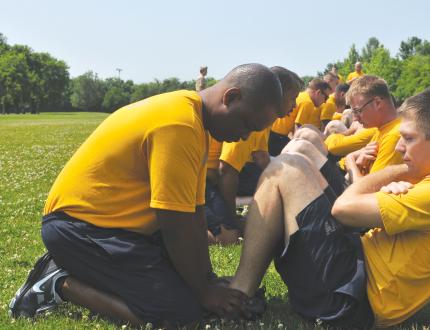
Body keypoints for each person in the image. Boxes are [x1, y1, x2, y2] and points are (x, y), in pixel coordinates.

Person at [9, 64, 283, 328]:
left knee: (189, 295)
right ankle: (59, 283)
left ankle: (77, 272)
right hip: (79, 228)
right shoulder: (180, 125)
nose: (245, 135)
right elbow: (175, 225)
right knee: (179, 315)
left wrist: (208, 281)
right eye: (246, 124)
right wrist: (204, 291)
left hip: (116, 228)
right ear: (230, 97)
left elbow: (194, 213)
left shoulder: (194, 119)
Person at [227, 86, 430, 327]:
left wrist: (400, 172)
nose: (399, 146)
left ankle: (239, 293)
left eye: (408, 138)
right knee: (302, 148)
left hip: (349, 300)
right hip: (355, 266)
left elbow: (344, 210)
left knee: (284, 170)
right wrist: (395, 185)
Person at [206, 66, 303, 245]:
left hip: (216, 178)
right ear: (276, 94)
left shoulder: (265, 121)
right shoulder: (254, 118)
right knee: (230, 238)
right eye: (292, 98)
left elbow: (262, 157)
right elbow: (226, 170)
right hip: (207, 181)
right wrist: (230, 218)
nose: (295, 105)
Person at [328, 75, 402, 181]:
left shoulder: (393, 135)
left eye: (358, 111)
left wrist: (351, 160)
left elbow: (369, 188)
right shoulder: (381, 129)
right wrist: (357, 162)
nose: (355, 118)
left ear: (377, 103)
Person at [268, 78, 330, 156]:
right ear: (318, 92)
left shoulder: (302, 96)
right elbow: (298, 129)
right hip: (277, 137)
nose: (325, 101)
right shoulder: (308, 103)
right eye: (326, 97)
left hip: (272, 133)